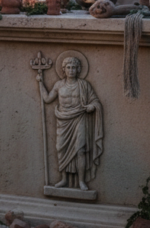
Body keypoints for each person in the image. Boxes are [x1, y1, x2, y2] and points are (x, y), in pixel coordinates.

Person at [36, 56, 103, 190]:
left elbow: (95, 101)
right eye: (68, 67)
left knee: (81, 151)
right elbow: (47, 99)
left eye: (73, 67)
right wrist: (40, 83)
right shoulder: (59, 85)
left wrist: (92, 106)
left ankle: (81, 181)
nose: (71, 70)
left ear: (78, 69)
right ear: (64, 70)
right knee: (61, 150)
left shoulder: (84, 85)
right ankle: (64, 179)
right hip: (63, 121)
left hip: (80, 119)